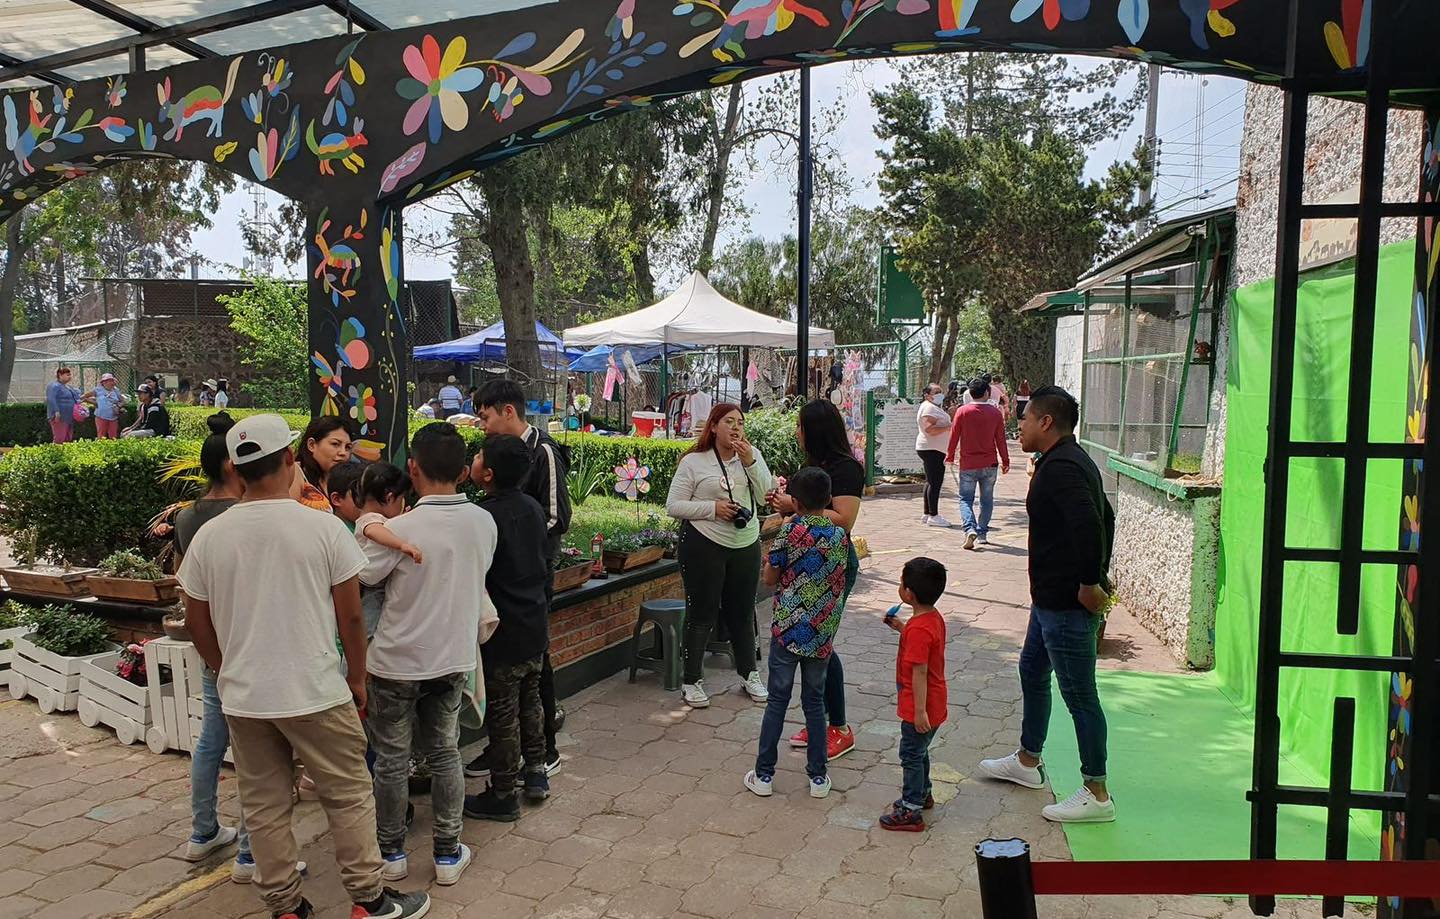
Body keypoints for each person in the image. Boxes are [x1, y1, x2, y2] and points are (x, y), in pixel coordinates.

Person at [177, 414, 430, 919]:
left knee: (265, 804)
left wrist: (225, 669)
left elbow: (195, 618)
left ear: (238, 469)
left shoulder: (210, 535)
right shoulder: (321, 528)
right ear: (291, 459)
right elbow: (352, 613)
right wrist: (357, 677)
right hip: (315, 689)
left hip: (246, 698)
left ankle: (286, 907)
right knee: (349, 793)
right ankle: (368, 900)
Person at [359, 423, 494, 886]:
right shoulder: (483, 521)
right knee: (445, 753)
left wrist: (369, 524)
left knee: (392, 760)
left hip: (395, 662)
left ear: (412, 468)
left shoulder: (398, 528)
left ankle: (391, 853)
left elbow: (363, 577)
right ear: (463, 471)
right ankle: (446, 853)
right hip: (453, 658)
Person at [978, 385, 1116, 824]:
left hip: (1066, 604)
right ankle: (1027, 761)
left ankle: (1097, 792)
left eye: (1023, 418)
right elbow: (1105, 515)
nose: (1017, 425)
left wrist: (1091, 582)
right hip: (1048, 602)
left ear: (1046, 422)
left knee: (1079, 695)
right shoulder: (1065, 460)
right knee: (1032, 671)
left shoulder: (1064, 468)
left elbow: (1094, 523)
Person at [174, 412, 268, 882]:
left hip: (213, 645)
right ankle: (252, 853)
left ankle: (201, 831)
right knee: (259, 753)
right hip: (250, 642)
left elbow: (187, 586)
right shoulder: (242, 515)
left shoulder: (189, 517)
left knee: (212, 740)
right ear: (234, 466)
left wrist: (213, 658)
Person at [466, 380, 571, 780]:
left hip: (530, 576)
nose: (483, 424)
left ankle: (545, 749)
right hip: (502, 580)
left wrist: (513, 540)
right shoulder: (497, 459)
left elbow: (557, 515)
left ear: (508, 411)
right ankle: (504, 749)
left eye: (486, 415)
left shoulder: (542, 450)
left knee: (533, 664)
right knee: (506, 672)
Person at [745, 466, 849, 801]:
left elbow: (770, 579)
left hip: (787, 629)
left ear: (796, 502)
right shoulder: (839, 536)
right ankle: (818, 778)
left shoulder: (788, 534)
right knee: (815, 703)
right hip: (821, 632)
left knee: (777, 699)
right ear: (828, 499)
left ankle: (764, 775)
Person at [463, 434, 551, 822]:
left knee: (502, 713)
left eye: (479, 455)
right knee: (530, 701)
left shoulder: (484, 516)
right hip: (534, 622)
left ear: (488, 474)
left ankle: (502, 793)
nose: (474, 459)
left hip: (503, 629)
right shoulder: (533, 507)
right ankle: (535, 772)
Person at [768, 400, 862, 761]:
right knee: (813, 642)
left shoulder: (846, 468)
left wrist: (795, 506)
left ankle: (838, 727)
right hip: (804, 564)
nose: (796, 432)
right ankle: (820, 719)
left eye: (800, 426)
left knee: (822, 643)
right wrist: (787, 503)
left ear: (816, 430)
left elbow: (844, 519)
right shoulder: (814, 467)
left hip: (832, 564)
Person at [666, 403, 775, 708]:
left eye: (740, 422)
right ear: (714, 427)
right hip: (704, 543)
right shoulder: (694, 462)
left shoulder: (750, 457)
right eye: (729, 421)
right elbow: (674, 505)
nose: (736, 427)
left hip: (746, 543)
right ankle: (691, 680)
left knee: (741, 612)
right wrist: (712, 509)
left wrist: (751, 461)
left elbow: (767, 495)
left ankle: (750, 674)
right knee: (702, 612)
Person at [879, 557, 949, 832]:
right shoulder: (930, 619)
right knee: (920, 752)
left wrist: (919, 712)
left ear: (908, 593)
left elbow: (919, 672)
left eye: (901, 582)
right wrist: (900, 627)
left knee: (910, 753)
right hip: (935, 700)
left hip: (921, 704)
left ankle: (911, 808)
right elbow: (922, 643)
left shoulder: (919, 628)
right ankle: (923, 792)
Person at [945, 377, 1010, 549]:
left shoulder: (962, 412)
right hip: (990, 463)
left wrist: (950, 455)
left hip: (968, 463)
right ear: (987, 392)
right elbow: (1001, 440)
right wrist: (1006, 460)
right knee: (987, 500)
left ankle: (969, 528)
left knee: (965, 499)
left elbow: (954, 436)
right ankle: (982, 533)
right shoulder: (995, 413)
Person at [294, 417, 353, 512]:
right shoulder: (294, 473)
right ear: (312, 445)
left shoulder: (353, 481)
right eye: (335, 444)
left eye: (348, 447)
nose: (343, 452)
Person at [915, 383, 952, 528]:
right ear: (927, 394)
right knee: (935, 482)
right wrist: (949, 427)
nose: (939, 394)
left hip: (934, 449)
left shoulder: (932, 407)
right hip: (932, 449)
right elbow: (929, 429)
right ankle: (933, 515)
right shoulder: (928, 408)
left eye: (940, 391)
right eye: (936, 392)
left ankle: (927, 512)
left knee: (930, 481)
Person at [87, 372, 128, 440]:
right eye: (107, 381)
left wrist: (118, 406)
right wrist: (95, 403)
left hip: (113, 417)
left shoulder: (116, 390)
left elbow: (123, 401)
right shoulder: (98, 390)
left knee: (113, 436)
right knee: (101, 436)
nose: (109, 382)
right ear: (103, 382)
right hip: (101, 416)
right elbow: (85, 397)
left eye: (111, 380)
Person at [46, 367, 81, 444]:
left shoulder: (69, 387)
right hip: (59, 417)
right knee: (59, 438)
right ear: (60, 375)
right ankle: (56, 454)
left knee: (68, 438)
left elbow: (78, 398)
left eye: (70, 375)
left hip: (69, 417)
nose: (70, 376)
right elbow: (51, 399)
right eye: (67, 374)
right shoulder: (53, 386)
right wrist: (56, 411)